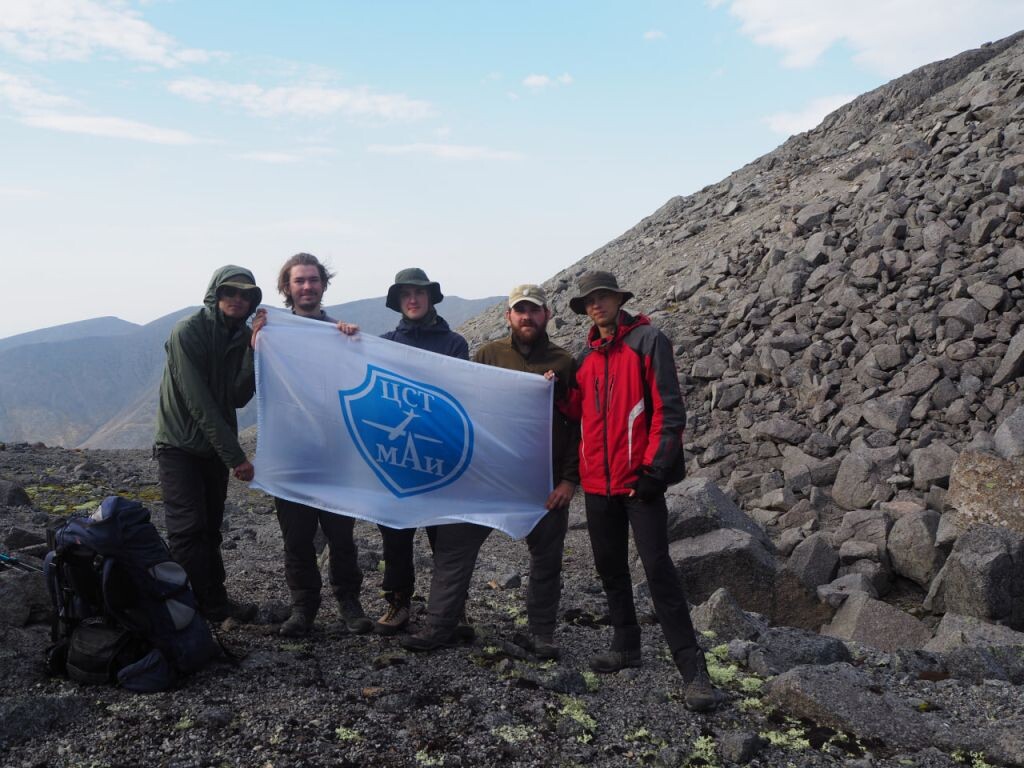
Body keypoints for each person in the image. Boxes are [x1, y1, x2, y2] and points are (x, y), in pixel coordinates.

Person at [559, 270, 717, 712]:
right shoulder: (586, 356)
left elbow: (669, 409)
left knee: (658, 570)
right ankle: (626, 646)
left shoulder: (648, 341)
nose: (597, 305)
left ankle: (693, 670)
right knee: (610, 569)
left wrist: (655, 470)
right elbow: (580, 412)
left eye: (603, 297)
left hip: (637, 484)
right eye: (589, 301)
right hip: (596, 484)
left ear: (617, 300)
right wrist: (553, 392)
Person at [401, 284, 579, 656]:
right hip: (485, 476)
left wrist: (568, 479)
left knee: (546, 560)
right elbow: (465, 412)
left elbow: (578, 424)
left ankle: (542, 634)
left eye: (534, 310)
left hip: (541, 482)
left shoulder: (564, 363)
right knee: (453, 550)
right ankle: (439, 626)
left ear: (547, 314)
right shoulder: (488, 354)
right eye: (519, 311)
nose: (526, 317)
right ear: (508, 316)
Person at [250, 253, 373, 638]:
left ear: (323, 285)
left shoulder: (340, 332)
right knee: (297, 538)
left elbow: (359, 380)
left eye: (313, 280)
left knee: (342, 535)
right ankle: (303, 607)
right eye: (299, 281)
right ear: (286, 287)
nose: (307, 287)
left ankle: (349, 603)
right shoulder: (271, 331)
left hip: (338, 453)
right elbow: (247, 384)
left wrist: (353, 343)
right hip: (291, 452)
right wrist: (255, 343)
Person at [344, 268, 469, 634]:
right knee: (395, 534)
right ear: (399, 302)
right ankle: (398, 603)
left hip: (441, 457)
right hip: (395, 458)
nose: (412, 299)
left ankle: (453, 607)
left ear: (430, 298)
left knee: (445, 538)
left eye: (418, 292)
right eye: (405, 294)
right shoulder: (383, 343)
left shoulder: (454, 344)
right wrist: (346, 340)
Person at [154, 265, 262, 623]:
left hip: (212, 449)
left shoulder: (239, 337)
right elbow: (197, 401)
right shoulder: (188, 331)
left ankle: (214, 604)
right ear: (216, 294)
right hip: (179, 446)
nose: (238, 299)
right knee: (187, 532)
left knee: (210, 531)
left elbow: (237, 396)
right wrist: (236, 457)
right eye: (231, 292)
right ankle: (184, 611)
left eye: (246, 294)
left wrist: (252, 350)